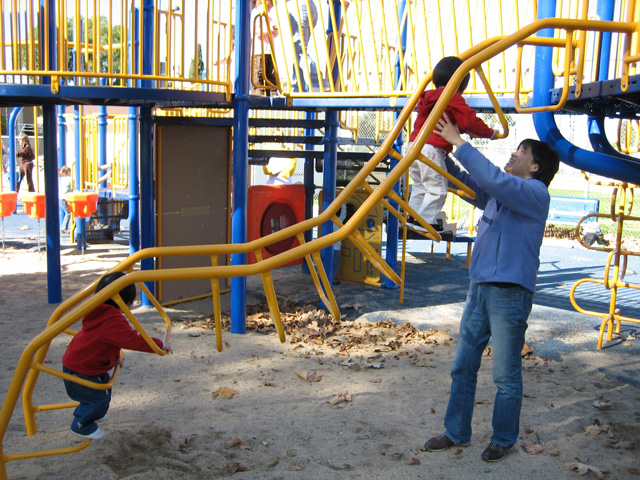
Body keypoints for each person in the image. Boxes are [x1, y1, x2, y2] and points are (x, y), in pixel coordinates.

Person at [422, 113, 559, 462]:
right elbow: (468, 182)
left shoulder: (533, 193)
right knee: (463, 365)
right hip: (480, 286)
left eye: (521, 151)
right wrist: (437, 151)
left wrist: (459, 141)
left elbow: (495, 181)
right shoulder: (502, 193)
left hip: (509, 293)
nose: (513, 154)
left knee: (505, 372)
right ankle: (456, 431)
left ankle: (503, 436)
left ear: (535, 166)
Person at [62, 271, 172, 440]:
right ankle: (81, 424)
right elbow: (132, 340)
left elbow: (105, 341)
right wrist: (160, 345)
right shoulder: (112, 321)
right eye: (131, 301)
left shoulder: (97, 309)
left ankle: (97, 411)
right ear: (121, 300)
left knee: (105, 389)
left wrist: (114, 357)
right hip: (80, 370)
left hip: (88, 364)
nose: (132, 304)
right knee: (96, 398)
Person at [407, 56, 497, 232]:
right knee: (438, 188)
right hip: (430, 149)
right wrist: (490, 133)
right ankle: (425, 221)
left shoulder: (428, 98)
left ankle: (414, 216)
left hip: (412, 148)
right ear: (460, 82)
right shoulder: (452, 96)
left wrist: (463, 130)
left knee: (420, 186)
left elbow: (446, 122)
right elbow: (469, 120)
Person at [287, 0, 324, 92]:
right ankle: (299, 86)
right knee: (299, 51)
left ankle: (314, 77)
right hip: (310, 6)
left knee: (299, 50)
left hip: (299, 6)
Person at [251, 0, 279, 96]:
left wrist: (275, 29)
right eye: (267, 7)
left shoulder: (269, 19)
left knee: (271, 73)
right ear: (260, 4)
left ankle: (272, 92)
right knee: (259, 73)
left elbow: (275, 34)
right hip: (258, 50)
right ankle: (258, 92)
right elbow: (257, 33)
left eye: (270, 8)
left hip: (269, 50)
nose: (268, 10)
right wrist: (269, 29)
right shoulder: (257, 16)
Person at [59, 166, 72, 234]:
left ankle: (64, 227)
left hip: (62, 197)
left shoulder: (62, 179)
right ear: (66, 173)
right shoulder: (68, 179)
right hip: (64, 198)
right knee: (68, 213)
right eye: (69, 172)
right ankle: (64, 227)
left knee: (68, 212)